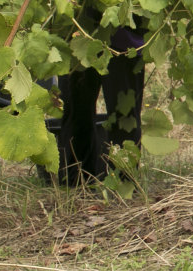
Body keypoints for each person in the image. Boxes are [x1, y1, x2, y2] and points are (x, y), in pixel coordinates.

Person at [56, 20, 146, 184]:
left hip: (123, 36)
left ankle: (123, 182)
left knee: (124, 116)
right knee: (76, 110)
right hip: (78, 34)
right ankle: (77, 182)